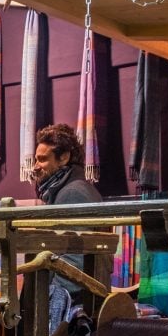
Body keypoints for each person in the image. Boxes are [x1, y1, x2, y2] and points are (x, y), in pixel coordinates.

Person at [32, 123, 103, 305]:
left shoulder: (73, 193)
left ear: (63, 158)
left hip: (74, 304)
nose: (35, 166)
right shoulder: (74, 189)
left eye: (42, 159)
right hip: (79, 299)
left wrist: (53, 298)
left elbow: (75, 257)